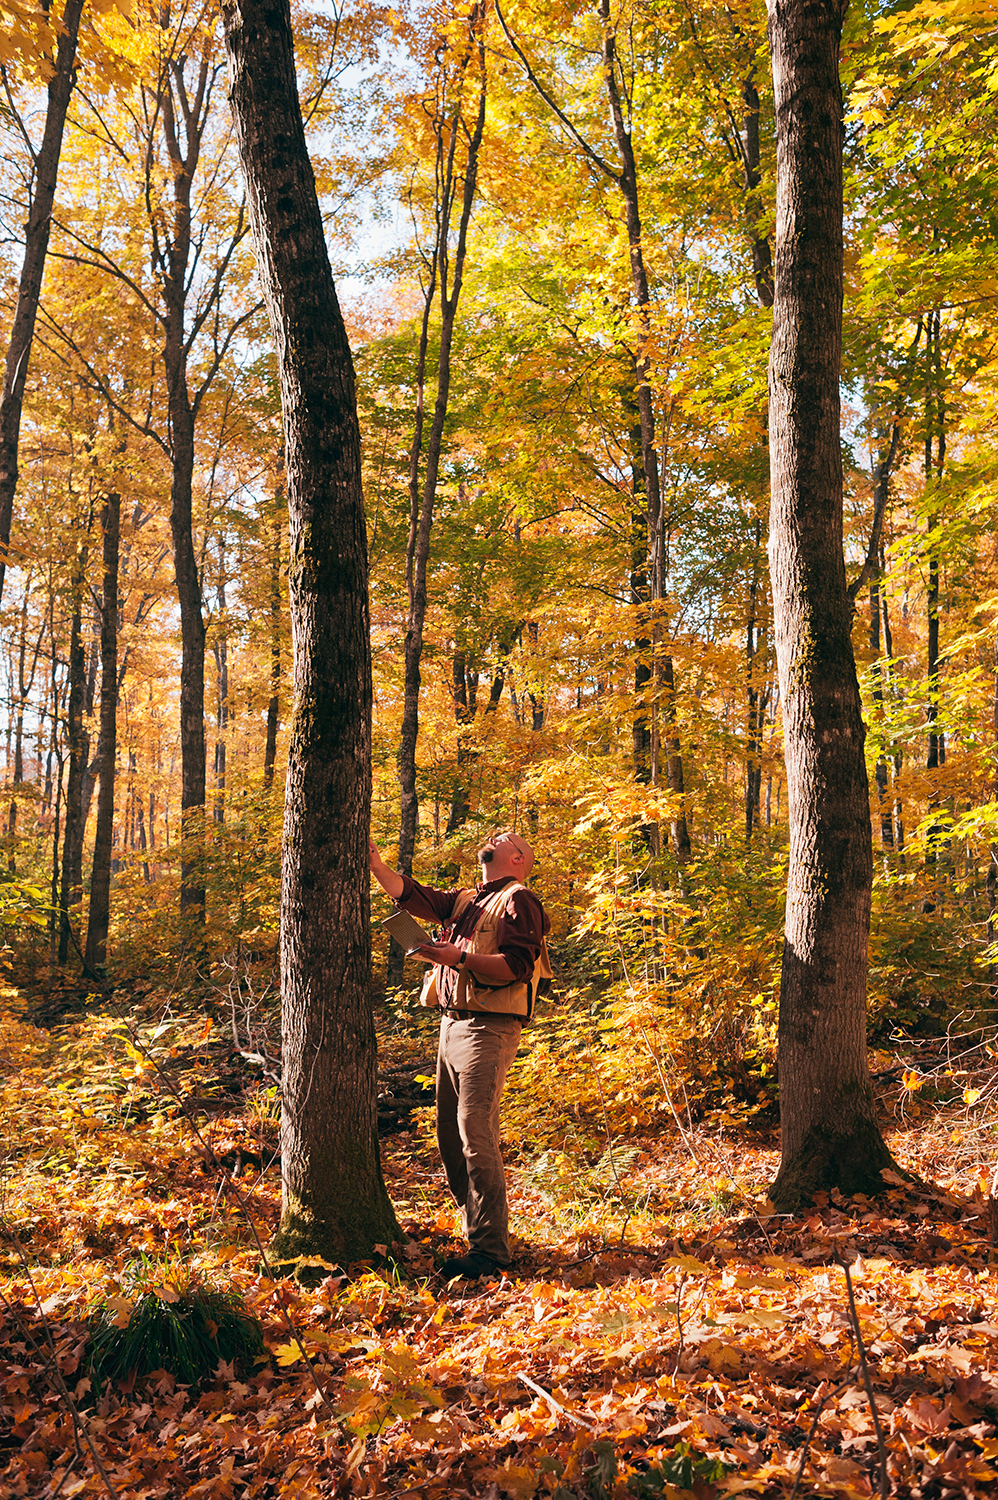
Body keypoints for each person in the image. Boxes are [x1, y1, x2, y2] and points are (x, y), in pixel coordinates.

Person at [369, 829, 550, 1279]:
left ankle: (491, 1253)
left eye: (508, 839)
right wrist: (375, 864)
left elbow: (517, 966)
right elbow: (413, 895)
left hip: (489, 1029)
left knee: (475, 1133)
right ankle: (481, 1231)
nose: (496, 837)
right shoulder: (469, 901)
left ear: (519, 859)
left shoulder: (519, 900)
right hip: (451, 1023)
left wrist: (459, 960)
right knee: (449, 1135)